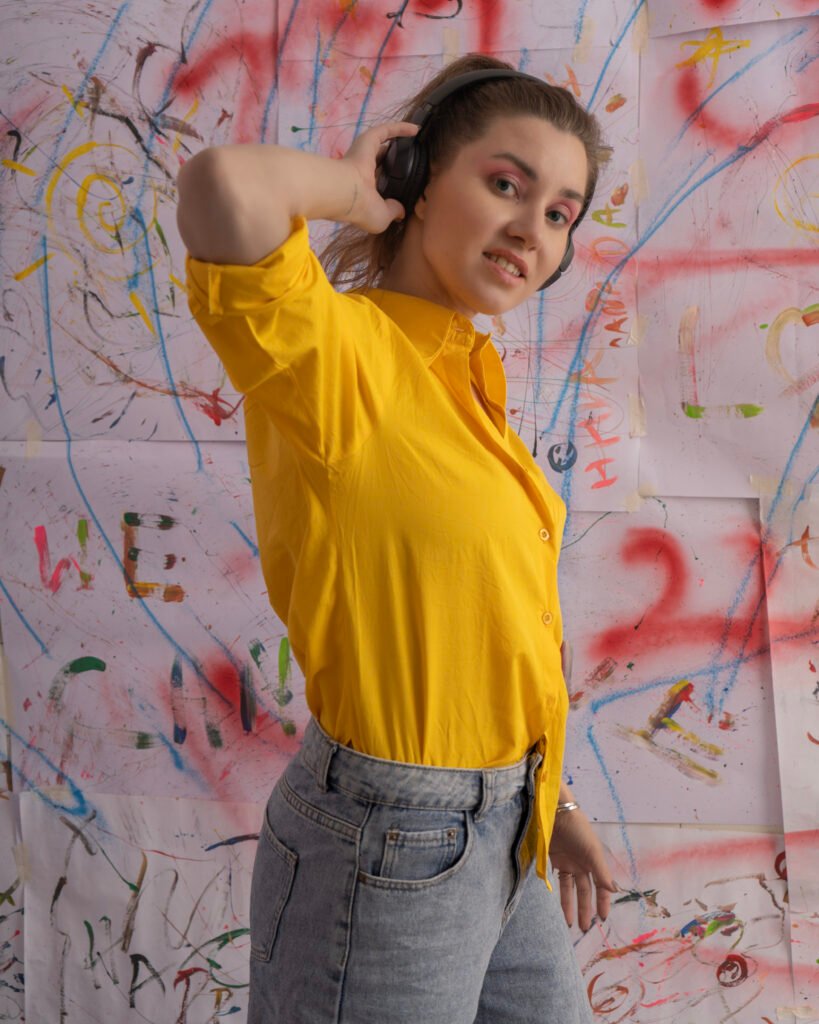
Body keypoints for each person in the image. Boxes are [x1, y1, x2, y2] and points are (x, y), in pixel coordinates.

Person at [177, 52, 616, 1024]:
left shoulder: (469, 383)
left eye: (560, 213)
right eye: (505, 185)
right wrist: (354, 190)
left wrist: (552, 802)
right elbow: (223, 184)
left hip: (507, 825)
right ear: (415, 181)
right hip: (388, 845)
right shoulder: (339, 358)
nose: (533, 229)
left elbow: (488, 630)